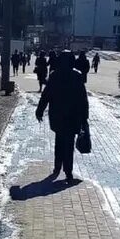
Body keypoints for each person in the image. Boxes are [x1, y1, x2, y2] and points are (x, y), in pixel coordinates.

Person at [36, 51, 89, 183]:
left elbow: (46, 95)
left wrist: (40, 110)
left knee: (59, 141)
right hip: (73, 116)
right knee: (69, 144)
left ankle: (57, 166)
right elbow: (83, 99)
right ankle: (68, 171)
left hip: (57, 115)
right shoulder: (77, 76)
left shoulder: (55, 75)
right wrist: (84, 117)